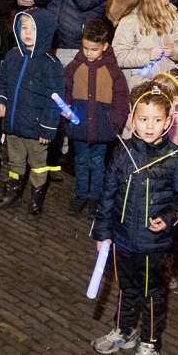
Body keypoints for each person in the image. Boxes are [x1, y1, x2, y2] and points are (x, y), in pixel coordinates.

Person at [90, 85, 178, 355]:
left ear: (168, 122)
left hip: (154, 244)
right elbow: (108, 195)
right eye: (143, 119)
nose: (149, 126)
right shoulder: (121, 152)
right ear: (133, 119)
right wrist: (103, 233)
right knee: (126, 288)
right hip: (123, 239)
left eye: (156, 119)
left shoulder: (176, 158)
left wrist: (168, 218)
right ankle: (124, 330)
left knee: (152, 294)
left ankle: (149, 343)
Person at [0, 9, 64, 213]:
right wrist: (0, 100)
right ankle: (12, 192)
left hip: (36, 129)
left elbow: (55, 100)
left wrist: (48, 128)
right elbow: (1, 82)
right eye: (24, 27)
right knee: (15, 162)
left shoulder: (50, 64)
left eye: (34, 28)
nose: (28, 32)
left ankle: (36, 198)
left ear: (45, 31)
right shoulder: (13, 56)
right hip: (13, 125)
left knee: (38, 164)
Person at [63, 18, 130, 215]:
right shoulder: (74, 66)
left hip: (102, 127)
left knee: (98, 163)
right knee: (81, 162)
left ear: (105, 46)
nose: (89, 53)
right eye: (85, 48)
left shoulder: (113, 71)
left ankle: (95, 197)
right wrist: (66, 108)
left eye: (94, 49)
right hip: (79, 126)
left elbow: (121, 98)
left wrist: (115, 122)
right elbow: (65, 88)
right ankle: (81, 194)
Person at [112, 0, 178, 87]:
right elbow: (118, 55)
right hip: (141, 86)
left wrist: (174, 50)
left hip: (169, 83)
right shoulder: (130, 22)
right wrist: (148, 55)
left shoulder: (173, 17)